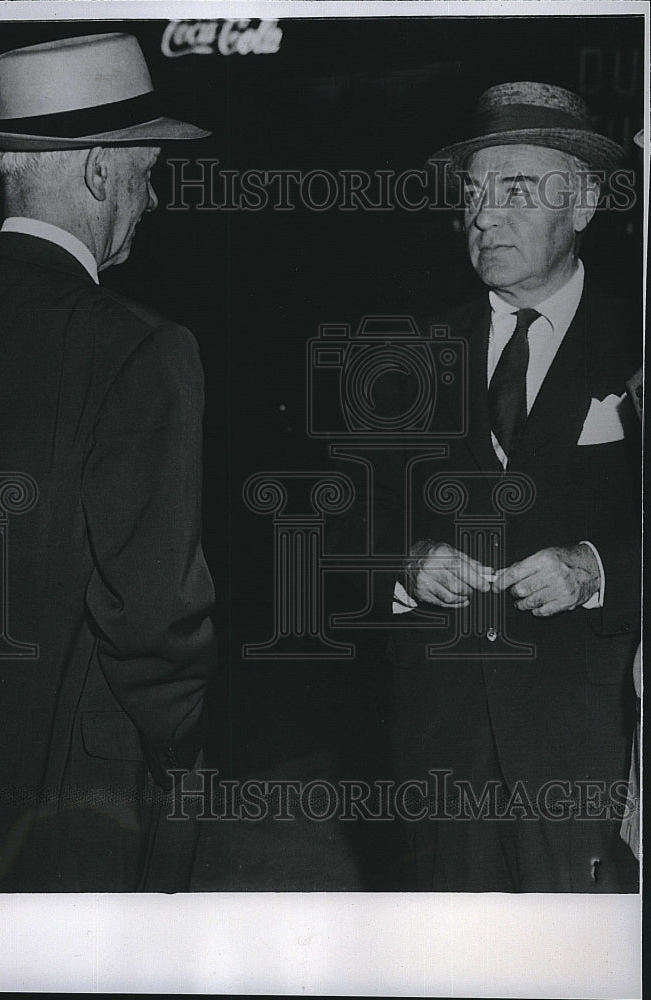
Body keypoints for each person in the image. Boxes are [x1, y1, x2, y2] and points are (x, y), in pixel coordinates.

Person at [0, 32, 216, 891]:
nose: (149, 201)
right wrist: (181, 748)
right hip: (82, 801)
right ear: (102, 171)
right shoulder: (142, 348)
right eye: (148, 174)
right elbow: (154, 615)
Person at [340, 82, 641, 891]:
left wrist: (595, 569)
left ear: (582, 204)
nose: (483, 217)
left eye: (514, 191)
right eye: (472, 195)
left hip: (595, 745)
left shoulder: (637, 339)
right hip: (440, 750)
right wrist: (405, 565)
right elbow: (345, 522)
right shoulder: (407, 353)